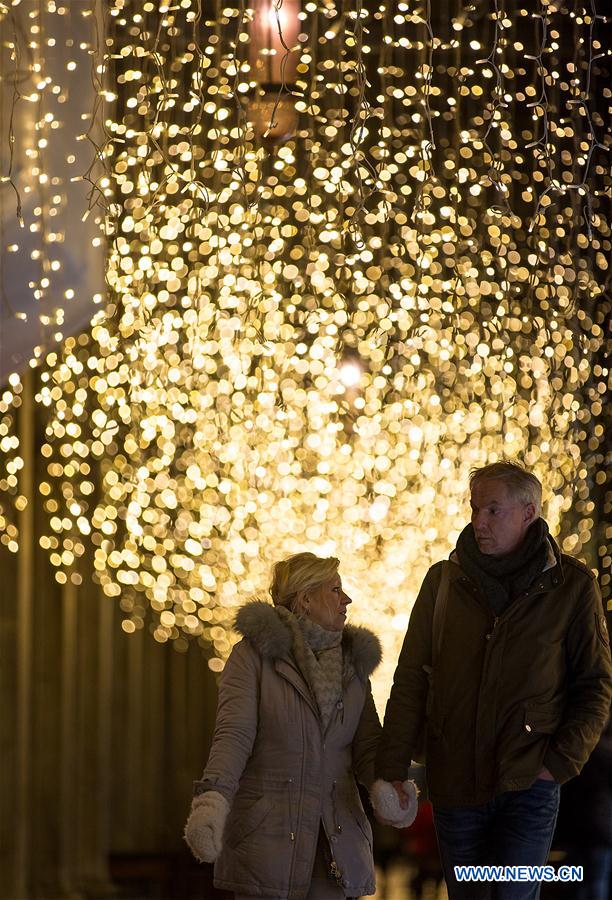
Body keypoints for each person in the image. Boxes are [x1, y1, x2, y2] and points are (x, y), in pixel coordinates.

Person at [374, 461, 612, 900]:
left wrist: (558, 764)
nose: (479, 522)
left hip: (529, 781)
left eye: (493, 511)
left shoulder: (572, 585)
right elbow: (410, 678)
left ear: (529, 513)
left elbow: (594, 685)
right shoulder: (444, 581)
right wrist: (392, 769)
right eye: (474, 509)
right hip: (454, 782)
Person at [184, 551, 383, 900]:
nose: (346, 598)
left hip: (335, 843)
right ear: (305, 599)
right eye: (335, 589)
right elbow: (233, 737)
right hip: (268, 841)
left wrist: (388, 785)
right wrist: (212, 800)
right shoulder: (253, 657)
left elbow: (368, 748)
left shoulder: (354, 667)